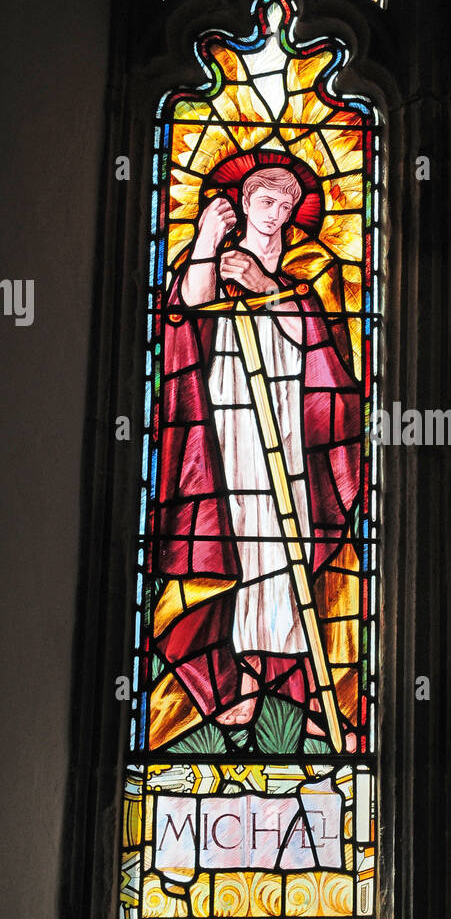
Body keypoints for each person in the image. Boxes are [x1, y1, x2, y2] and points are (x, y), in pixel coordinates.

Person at [152, 162, 360, 752]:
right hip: (231, 416)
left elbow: (324, 345)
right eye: (264, 201)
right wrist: (207, 242)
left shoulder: (309, 271)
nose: (275, 212)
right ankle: (229, 674)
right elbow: (188, 313)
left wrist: (268, 289)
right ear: (243, 206)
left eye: (284, 203)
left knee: (288, 534)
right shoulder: (214, 259)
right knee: (239, 536)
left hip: (292, 420)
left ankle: (294, 677)